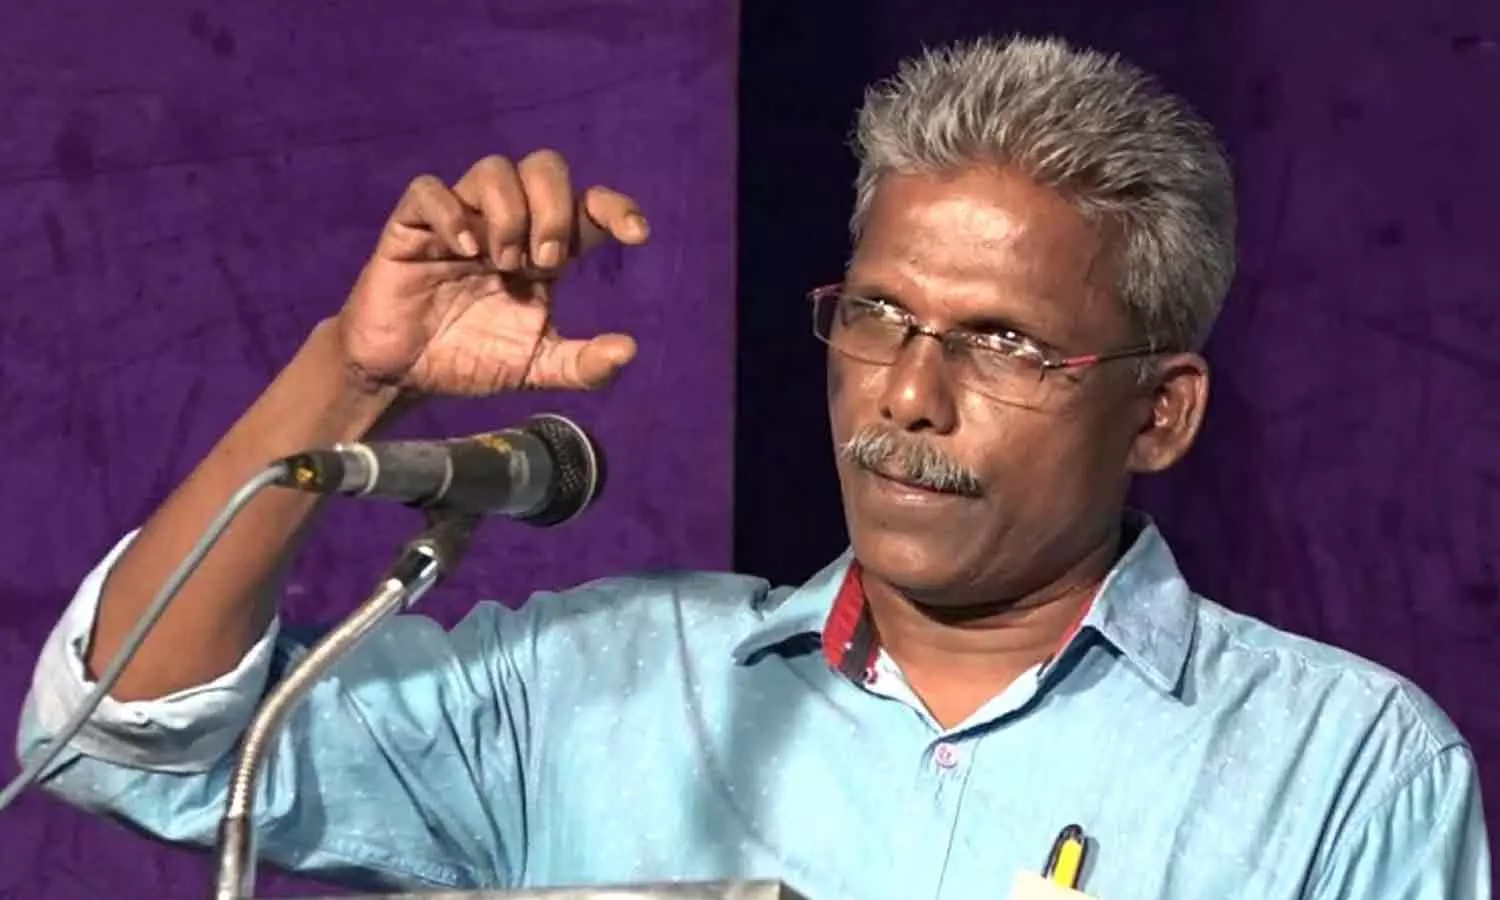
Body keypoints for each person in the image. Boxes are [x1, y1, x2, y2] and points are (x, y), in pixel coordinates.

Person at [15, 34, 1489, 900]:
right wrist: (357, 369)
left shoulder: (1340, 768)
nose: (907, 394)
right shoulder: (591, 689)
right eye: (879, 316)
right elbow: (125, 734)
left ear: (1160, 414)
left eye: (1002, 343)